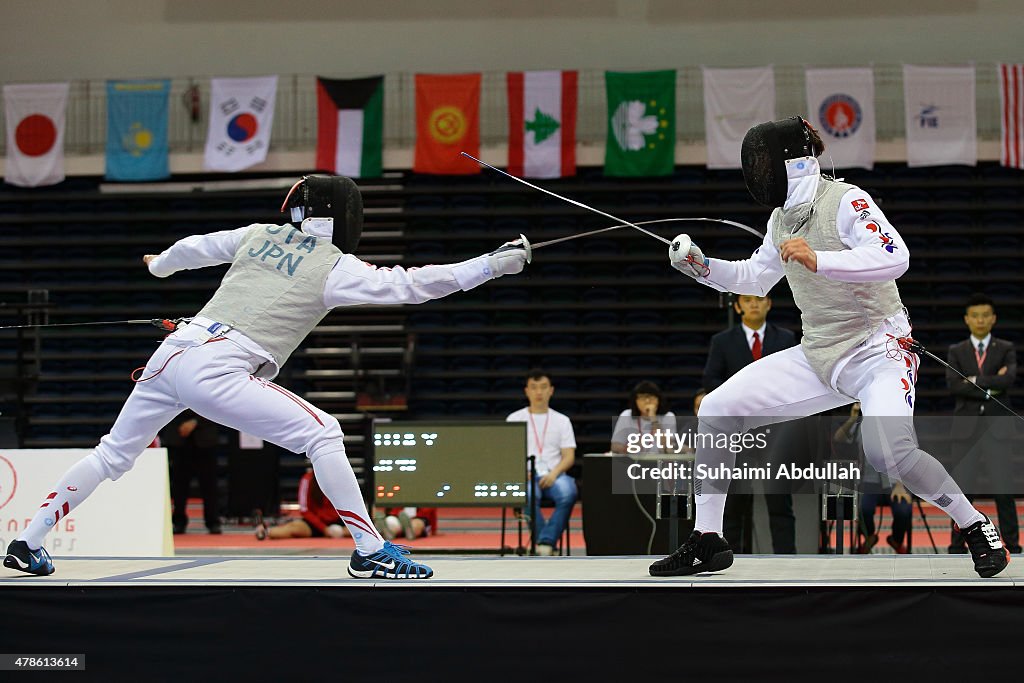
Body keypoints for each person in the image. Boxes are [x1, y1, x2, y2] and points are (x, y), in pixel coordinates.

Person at [4, 174, 529, 579]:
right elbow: (412, 286)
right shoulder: (334, 265)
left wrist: (159, 265)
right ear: (342, 215)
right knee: (323, 433)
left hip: (173, 352)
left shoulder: (258, 235)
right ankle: (370, 551)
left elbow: (194, 248)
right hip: (218, 364)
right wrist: (491, 265)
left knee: (112, 455)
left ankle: (29, 540)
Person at [650, 116, 1008, 578]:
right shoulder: (780, 220)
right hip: (820, 353)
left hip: (880, 350)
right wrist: (701, 266)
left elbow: (895, 256)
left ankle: (974, 524)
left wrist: (822, 259)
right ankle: (708, 539)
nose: (757, 172)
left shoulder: (846, 200)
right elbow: (754, 277)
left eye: (763, 162)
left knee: (888, 453)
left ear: (791, 163)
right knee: (718, 407)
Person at [702, 294, 799, 554]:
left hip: (775, 431)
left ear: (769, 303)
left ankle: (787, 561)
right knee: (734, 504)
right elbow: (711, 381)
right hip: (738, 433)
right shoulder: (722, 341)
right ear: (738, 306)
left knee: (780, 503)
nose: (754, 304)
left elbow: (794, 382)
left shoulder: (786, 339)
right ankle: (730, 557)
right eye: (747, 300)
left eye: (759, 299)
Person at [946, 293, 1020, 553]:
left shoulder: (1006, 348)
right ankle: (957, 546)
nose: (980, 320)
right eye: (975, 315)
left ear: (993, 318)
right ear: (967, 319)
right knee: (962, 491)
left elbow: (1009, 379)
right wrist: (991, 383)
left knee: (1004, 490)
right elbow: (953, 385)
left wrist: (974, 381)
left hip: (997, 429)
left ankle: (1013, 544)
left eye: (985, 315)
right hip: (965, 431)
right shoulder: (956, 351)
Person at [506, 369, 577, 556]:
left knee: (569, 492)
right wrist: (520, 472)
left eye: (543, 387)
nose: (539, 392)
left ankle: (544, 542)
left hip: (555, 473)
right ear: (526, 391)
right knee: (527, 494)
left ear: (551, 390)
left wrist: (554, 474)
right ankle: (546, 543)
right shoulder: (514, 419)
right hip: (527, 475)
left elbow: (569, 455)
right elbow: (508, 454)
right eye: (534, 388)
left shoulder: (562, 421)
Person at [834, 403, 914, 554]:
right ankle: (869, 536)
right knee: (863, 508)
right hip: (868, 481)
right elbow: (838, 438)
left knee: (903, 510)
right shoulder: (862, 424)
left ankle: (896, 540)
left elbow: (909, 454)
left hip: (895, 482)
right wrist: (852, 419)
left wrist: (899, 484)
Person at [162, 411, 222, 535]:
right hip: (179, 435)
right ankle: (178, 521)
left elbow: (215, 404)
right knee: (179, 483)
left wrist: (196, 422)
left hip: (205, 436)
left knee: (209, 483)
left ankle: (213, 521)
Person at [610, 380, 677, 454]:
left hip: (659, 462)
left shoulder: (668, 416)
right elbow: (615, 446)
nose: (647, 401)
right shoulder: (626, 415)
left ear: (658, 400)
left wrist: (653, 419)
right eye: (642, 398)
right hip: (632, 462)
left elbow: (668, 448)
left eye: (651, 397)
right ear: (635, 401)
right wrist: (629, 448)